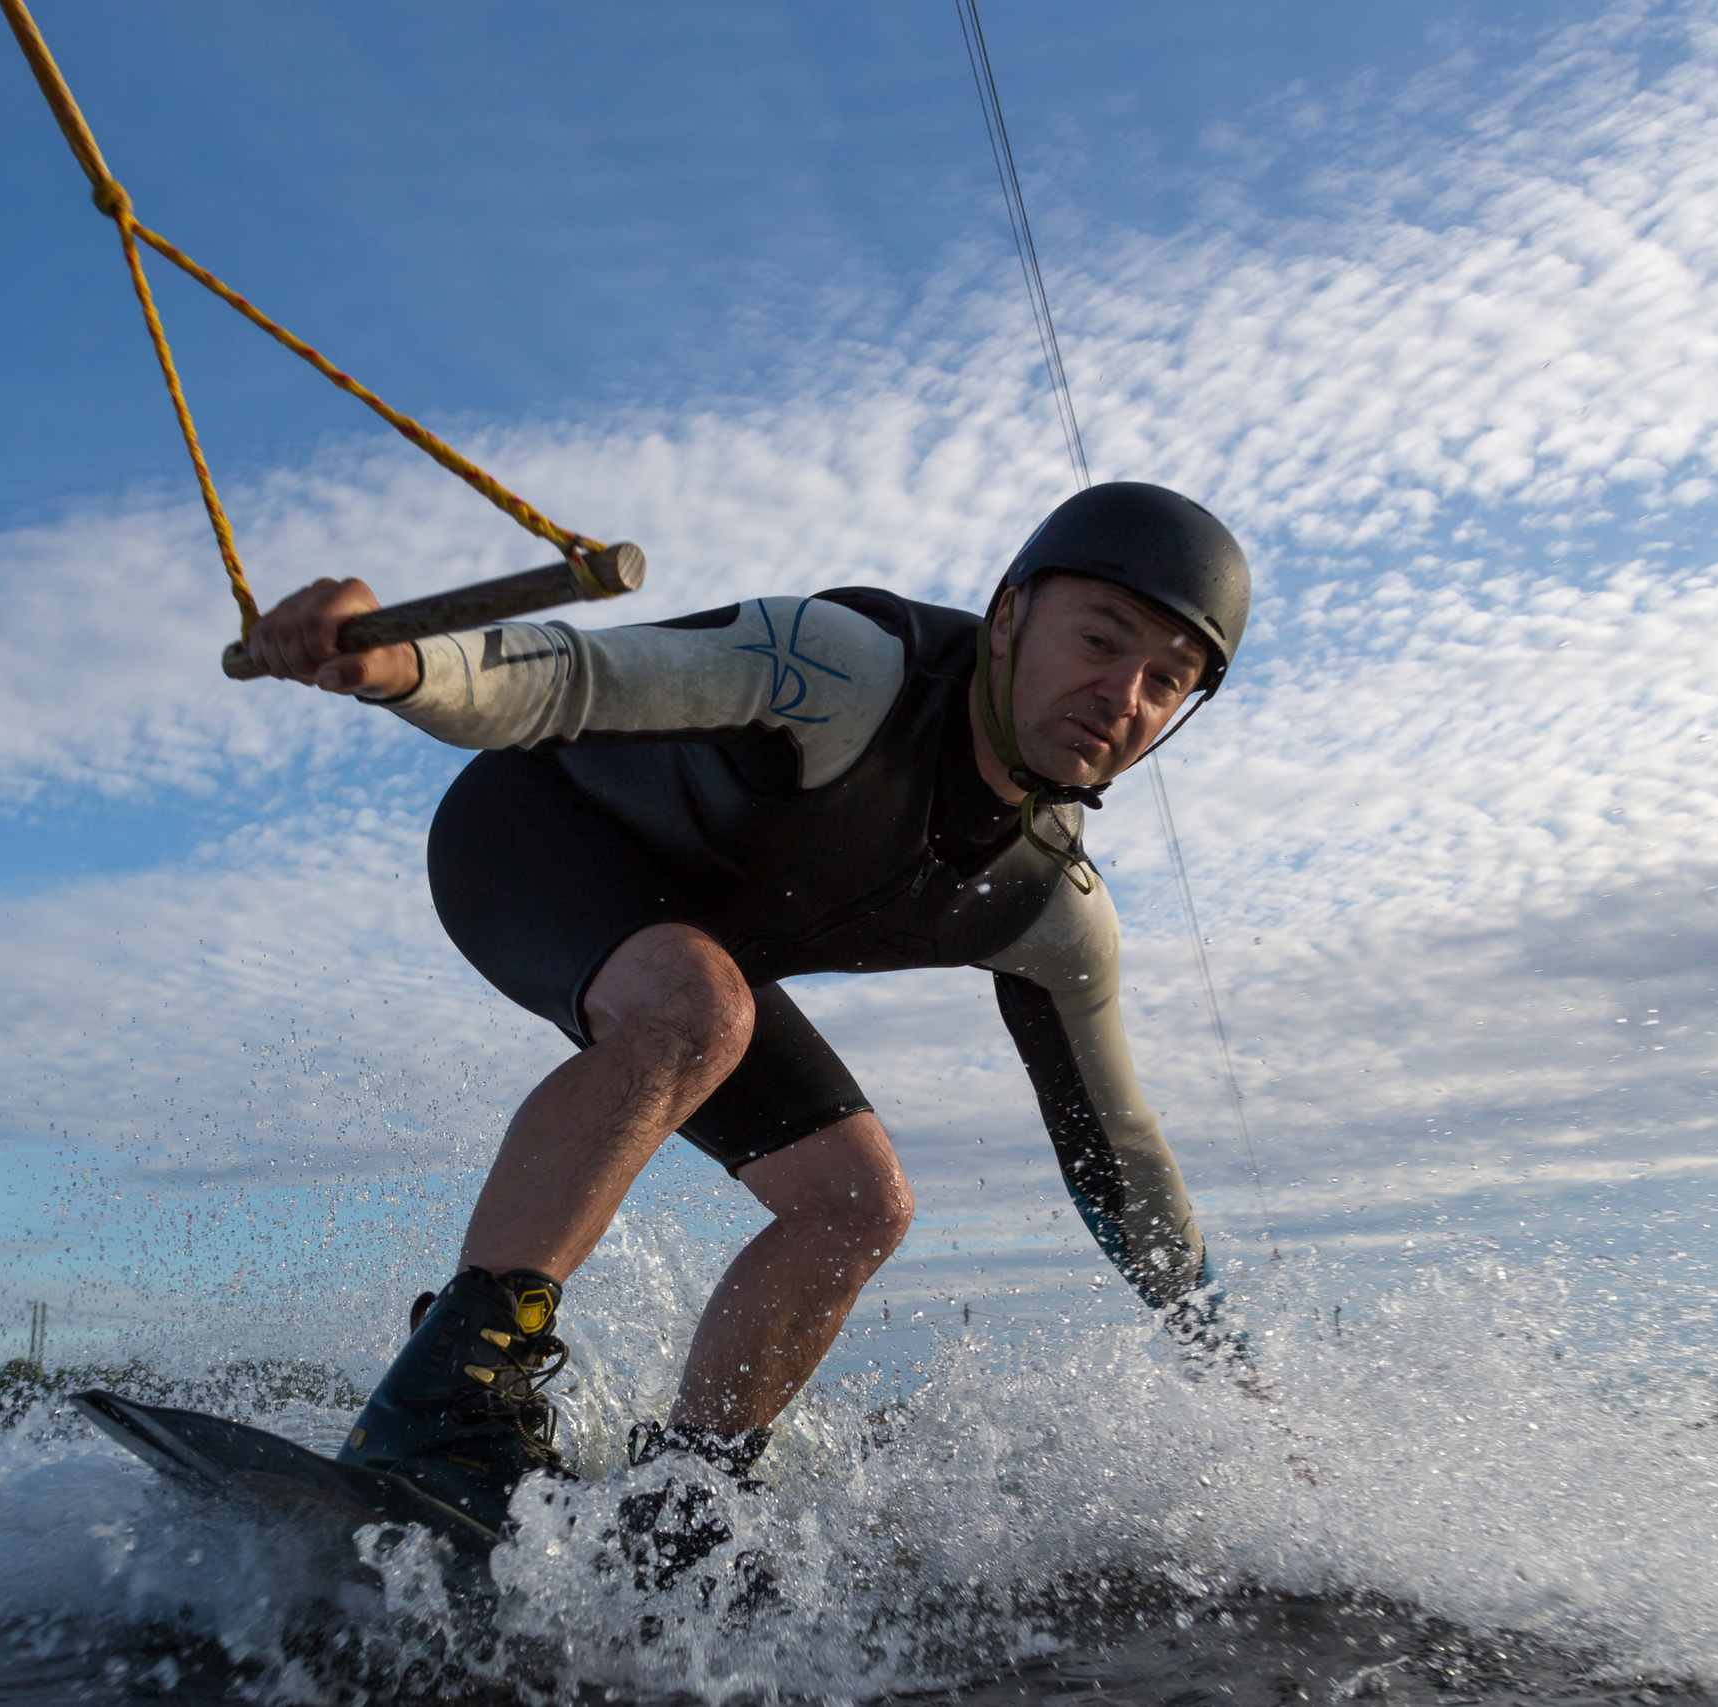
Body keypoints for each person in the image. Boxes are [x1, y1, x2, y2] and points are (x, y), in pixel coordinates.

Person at [243, 480, 1251, 1532]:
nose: (1121, 693)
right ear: (1008, 617)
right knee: (703, 1011)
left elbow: (1120, 1157)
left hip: (693, 962)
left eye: (1166, 681)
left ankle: (685, 1494)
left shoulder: (1048, 910)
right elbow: (568, 678)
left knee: (862, 1205)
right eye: (1099, 639)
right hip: (531, 835)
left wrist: (1223, 1354)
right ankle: (440, 1409)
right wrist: (403, 665)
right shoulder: (844, 669)